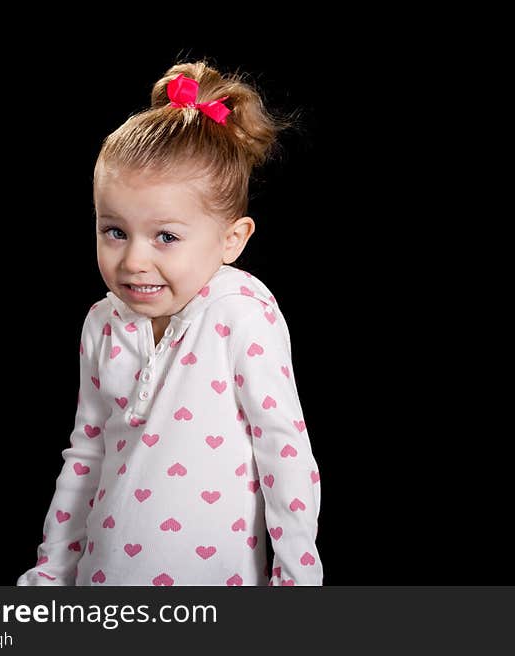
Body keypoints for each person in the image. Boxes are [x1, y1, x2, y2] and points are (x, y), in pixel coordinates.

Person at [17, 61, 321, 586]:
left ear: (233, 238)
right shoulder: (102, 323)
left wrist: (295, 582)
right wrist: (51, 574)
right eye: (114, 230)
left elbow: (284, 454)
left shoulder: (241, 312)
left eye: (166, 237)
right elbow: (87, 452)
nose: (133, 260)